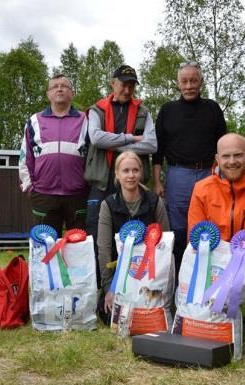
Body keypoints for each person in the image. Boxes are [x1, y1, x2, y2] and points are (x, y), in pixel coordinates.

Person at [187, 133, 245, 338]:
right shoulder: (201, 189)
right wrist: (222, 256)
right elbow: (195, 233)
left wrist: (239, 257)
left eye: (238, 155)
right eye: (226, 156)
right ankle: (202, 313)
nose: (232, 162)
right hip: (213, 255)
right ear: (217, 159)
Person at [84, 64, 157, 285]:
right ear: (112, 83)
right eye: (124, 84)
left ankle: (137, 281)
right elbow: (96, 138)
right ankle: (101, 285)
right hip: (101, 180)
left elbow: (152, 144)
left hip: (133, 181)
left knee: (136, 232)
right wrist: (130, 139)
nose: (128, 89)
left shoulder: (144, 111)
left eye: (132, 85)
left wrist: (114, 145)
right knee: (97, 233)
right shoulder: (96, 109)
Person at [152, 61, 227, 276]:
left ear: (201, 82)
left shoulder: (212, 108)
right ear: (178, 84)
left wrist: (221, 174)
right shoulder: (167, 110)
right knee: (179, 229)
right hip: (177, 176)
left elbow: (223, 143)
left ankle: (208, 275)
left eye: (194, 80)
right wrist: (157, 182)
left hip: (208, 174)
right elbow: (158, 151)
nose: (189, 85)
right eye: (184, 81)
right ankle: (179, 279)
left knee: (209, 226)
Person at [97, 151, 170, 324]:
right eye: (126, 171)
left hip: (150, 276)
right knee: (112, 317)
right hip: (119, 277)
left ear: (142, 172)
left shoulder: (155, 202)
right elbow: (104, 250)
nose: (131, 175)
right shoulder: (107, 205)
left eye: (135, 170)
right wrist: (109, 288)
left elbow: (167, 245)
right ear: (117, 174)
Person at [18, 74, 89, 236]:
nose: (59, 89)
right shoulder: (34, 121)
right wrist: (30, 187)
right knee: (45, 248)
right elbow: (25, 157)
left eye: (64, 86)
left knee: (79, 246)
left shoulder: (86, 120)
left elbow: (94, 157)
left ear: (72, 93)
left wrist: (88, 187)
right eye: (54, 86)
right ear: (48, 94)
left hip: (77, 195)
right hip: (43, 195)